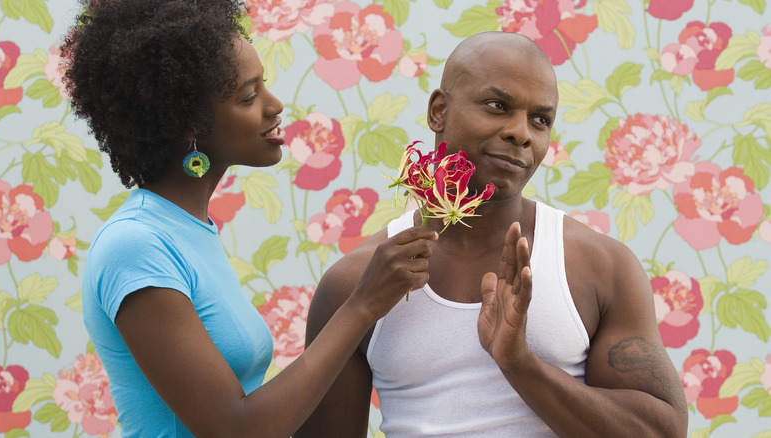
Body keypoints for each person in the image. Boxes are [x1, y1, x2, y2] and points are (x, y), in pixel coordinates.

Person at [65, 0, 437, 436]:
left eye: (265, 85)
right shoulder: (135, 246)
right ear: (189, 123)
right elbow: (237, 429)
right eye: (248, 96)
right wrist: (362, 306)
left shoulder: (188, 230)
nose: (275, 105)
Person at [295, 31, 688, 438]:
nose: (521, 133)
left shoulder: (600, 267)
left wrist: (520, 364)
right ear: (438, 111)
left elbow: (662, 431)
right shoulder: (354, 283)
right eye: (498, 106)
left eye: (540, 119)